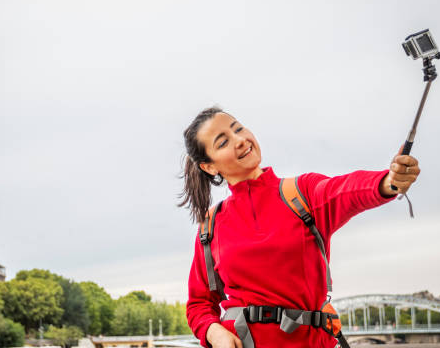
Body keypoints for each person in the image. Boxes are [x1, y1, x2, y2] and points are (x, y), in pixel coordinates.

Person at [180, 107, 421, 348]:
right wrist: (214, 332)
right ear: (209, 167)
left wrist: (388, 181)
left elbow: (346, 189)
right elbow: (199, 304)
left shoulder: (301, 194)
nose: (240, 140)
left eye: (238, 128)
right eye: (223, 142)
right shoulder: (211, 225)